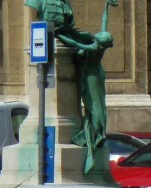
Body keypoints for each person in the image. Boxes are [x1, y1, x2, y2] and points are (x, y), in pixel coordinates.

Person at [26, 0, 118, 175]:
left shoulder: (93, 46)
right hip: (89, 77)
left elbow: (75, 44)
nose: (97, 35)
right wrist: (105, 7)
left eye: (100, 36)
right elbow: (104, 24)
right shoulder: (96, 41)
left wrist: (59, 35)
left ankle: (93, 137)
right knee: (96, 111)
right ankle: (89, 136)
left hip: (93, 80)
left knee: (97, 112)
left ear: (102, 42)